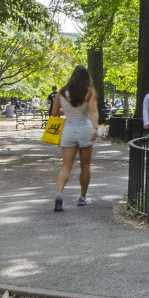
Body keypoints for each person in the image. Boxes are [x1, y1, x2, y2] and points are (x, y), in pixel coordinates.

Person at [51, 66, 99, 211]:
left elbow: (55, 113)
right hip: (84, 129)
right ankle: (82, 197)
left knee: (66, 166)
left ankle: (59, 194)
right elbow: (93, 111)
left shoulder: (62, 92)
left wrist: (67, 110)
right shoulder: (89, 92)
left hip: (69, 129)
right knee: (85, 165)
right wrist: (95, 128)